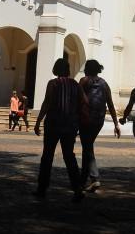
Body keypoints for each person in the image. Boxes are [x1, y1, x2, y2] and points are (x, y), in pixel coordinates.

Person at [34, 58, 87, 201]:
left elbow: (46, 102)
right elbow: (85, 101)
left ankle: (42, 188)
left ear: (56, 69)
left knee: (47, 156)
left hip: (53, 124)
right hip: (70, 125)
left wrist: (38, 121)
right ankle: (77, 188)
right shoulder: (75, 85)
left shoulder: (53, 84)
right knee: (69, 156)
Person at [78, 60, 121, 191]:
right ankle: (84, 180)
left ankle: (94, 178)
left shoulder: (83, 81)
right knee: (87, 146)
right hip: (99, 120)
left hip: (86, 118)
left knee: (87, 147)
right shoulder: (104, 83)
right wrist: (116, 123)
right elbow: (111, 104)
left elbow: (78, 99)